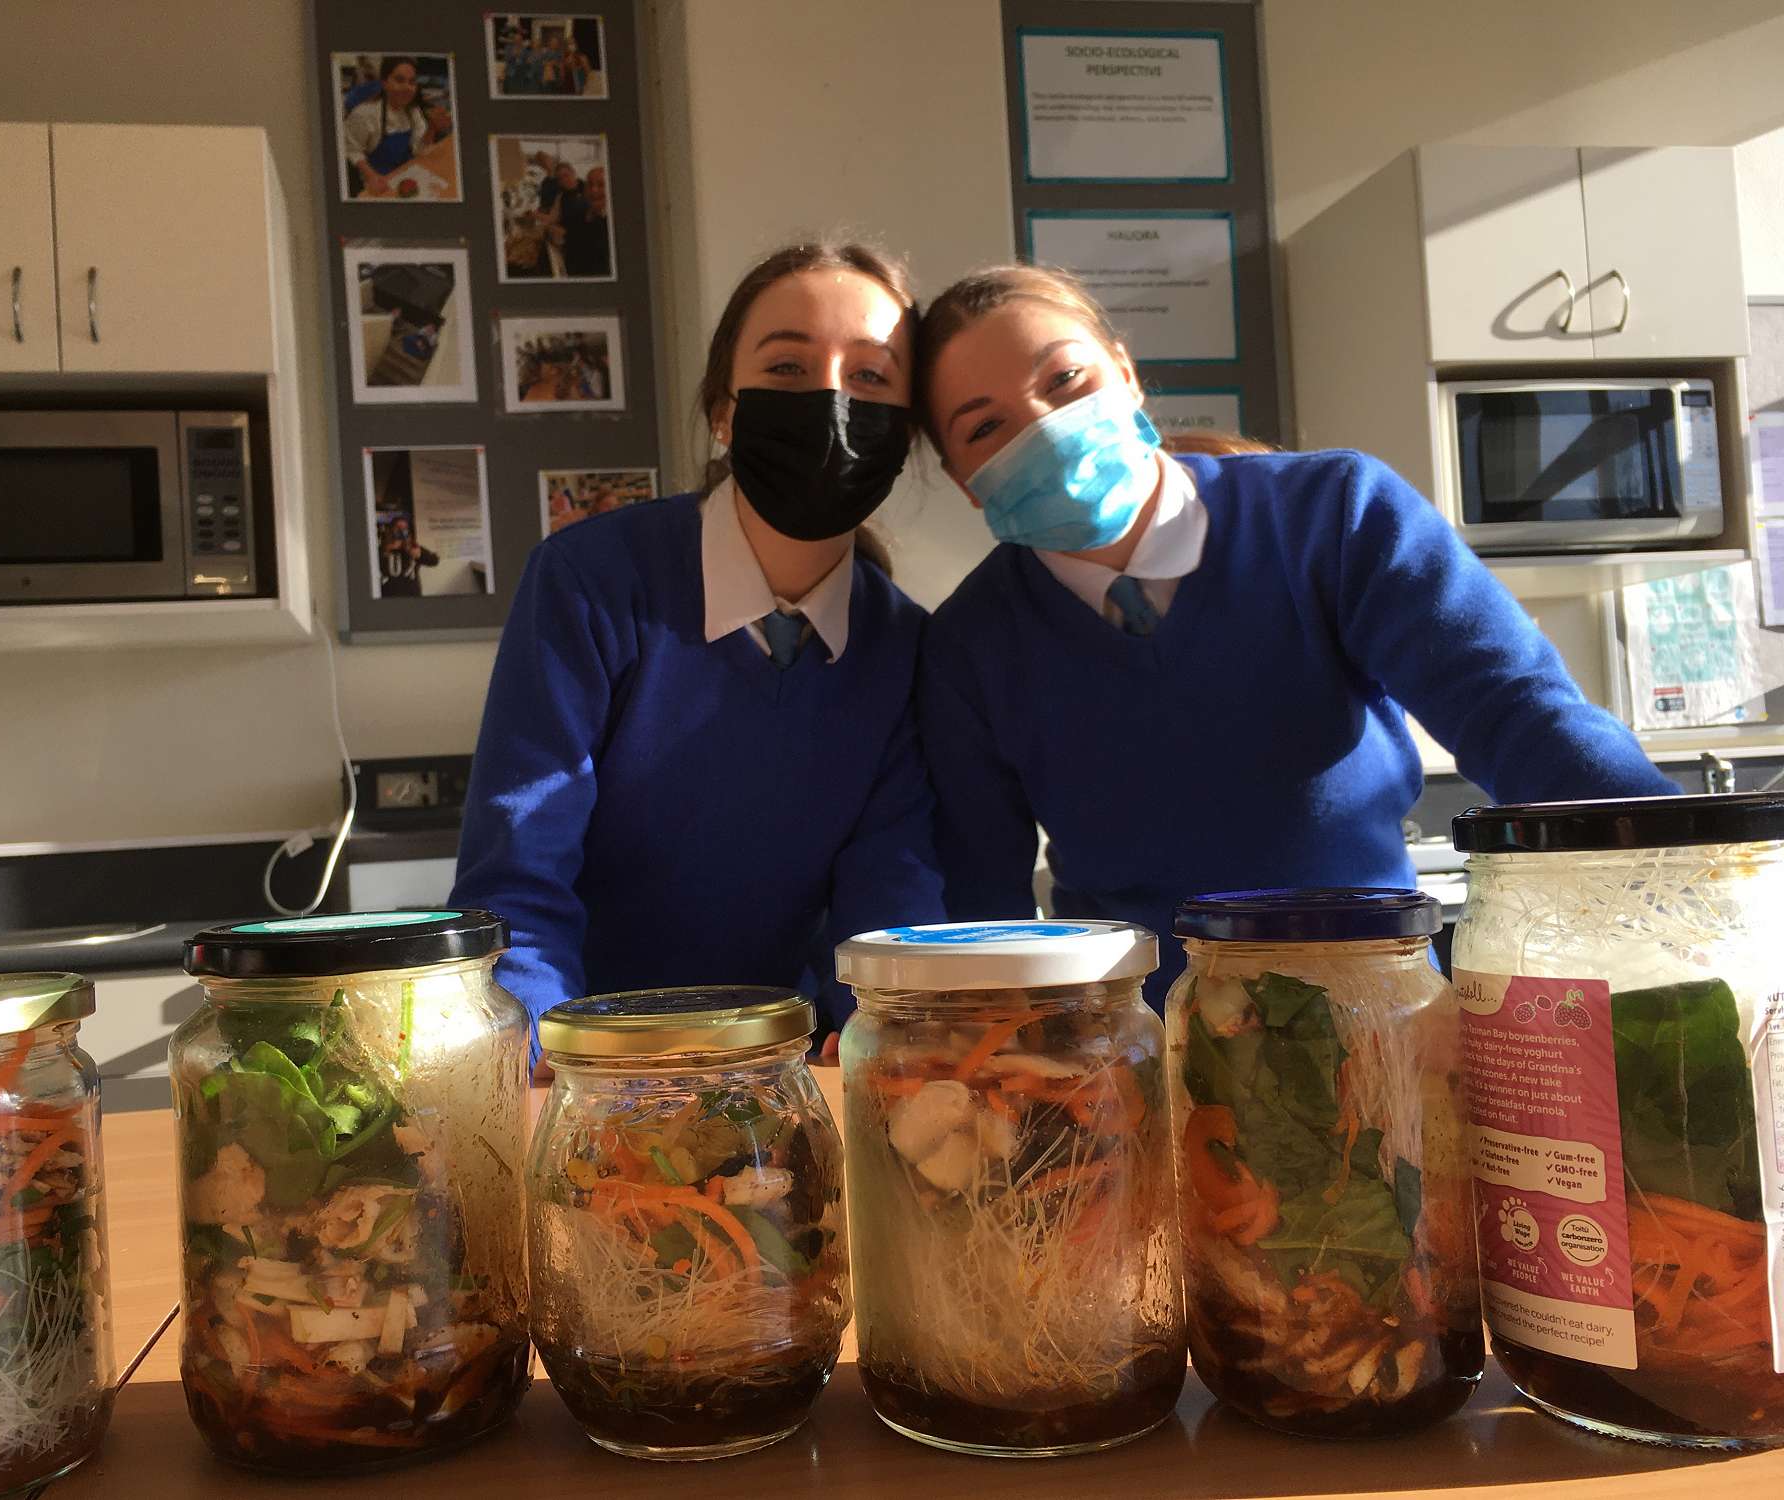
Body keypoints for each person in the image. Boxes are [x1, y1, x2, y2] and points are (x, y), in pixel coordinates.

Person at [913, 265, 1679, 1009]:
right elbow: (982, 907)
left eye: (1065, 379)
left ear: (1126, 371)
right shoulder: (971, 646)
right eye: (986, 427)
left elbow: (1514, 710)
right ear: (962, 481)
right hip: (1134, 1050)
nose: (1045, 430)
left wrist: (1673, 865)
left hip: (1377, 1021)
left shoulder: (1335, 514)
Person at [453, 240, 945, 1060]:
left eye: (868, 375)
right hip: (585, 1069)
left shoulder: (905, 645)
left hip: (777, 1073)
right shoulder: (590, 581)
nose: (829, 398)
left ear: (907, 432)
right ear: (723, 411)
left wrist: (881, 1040)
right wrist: (546, 1057)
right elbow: (517, 877)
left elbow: (889, 904)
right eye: (787, 367)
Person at [342, 56, 449, 198]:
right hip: (377, 179)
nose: (407, 87)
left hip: (406, 171)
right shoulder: (365, 114)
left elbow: (418, 150)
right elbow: (352, 149)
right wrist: (371, 176)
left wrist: (432, 128)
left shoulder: (413, 111)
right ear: (384, 83)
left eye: (412, 82)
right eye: (399, 80)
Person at [377, 515, 438, 597]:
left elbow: (434, 561)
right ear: (391, 529)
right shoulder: (381, 549)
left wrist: (420, 555)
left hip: (412, 597)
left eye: (405, 528)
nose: (401, 530)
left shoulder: (413, 547)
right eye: (398, 527)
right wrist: (385, 550)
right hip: (387, 597)